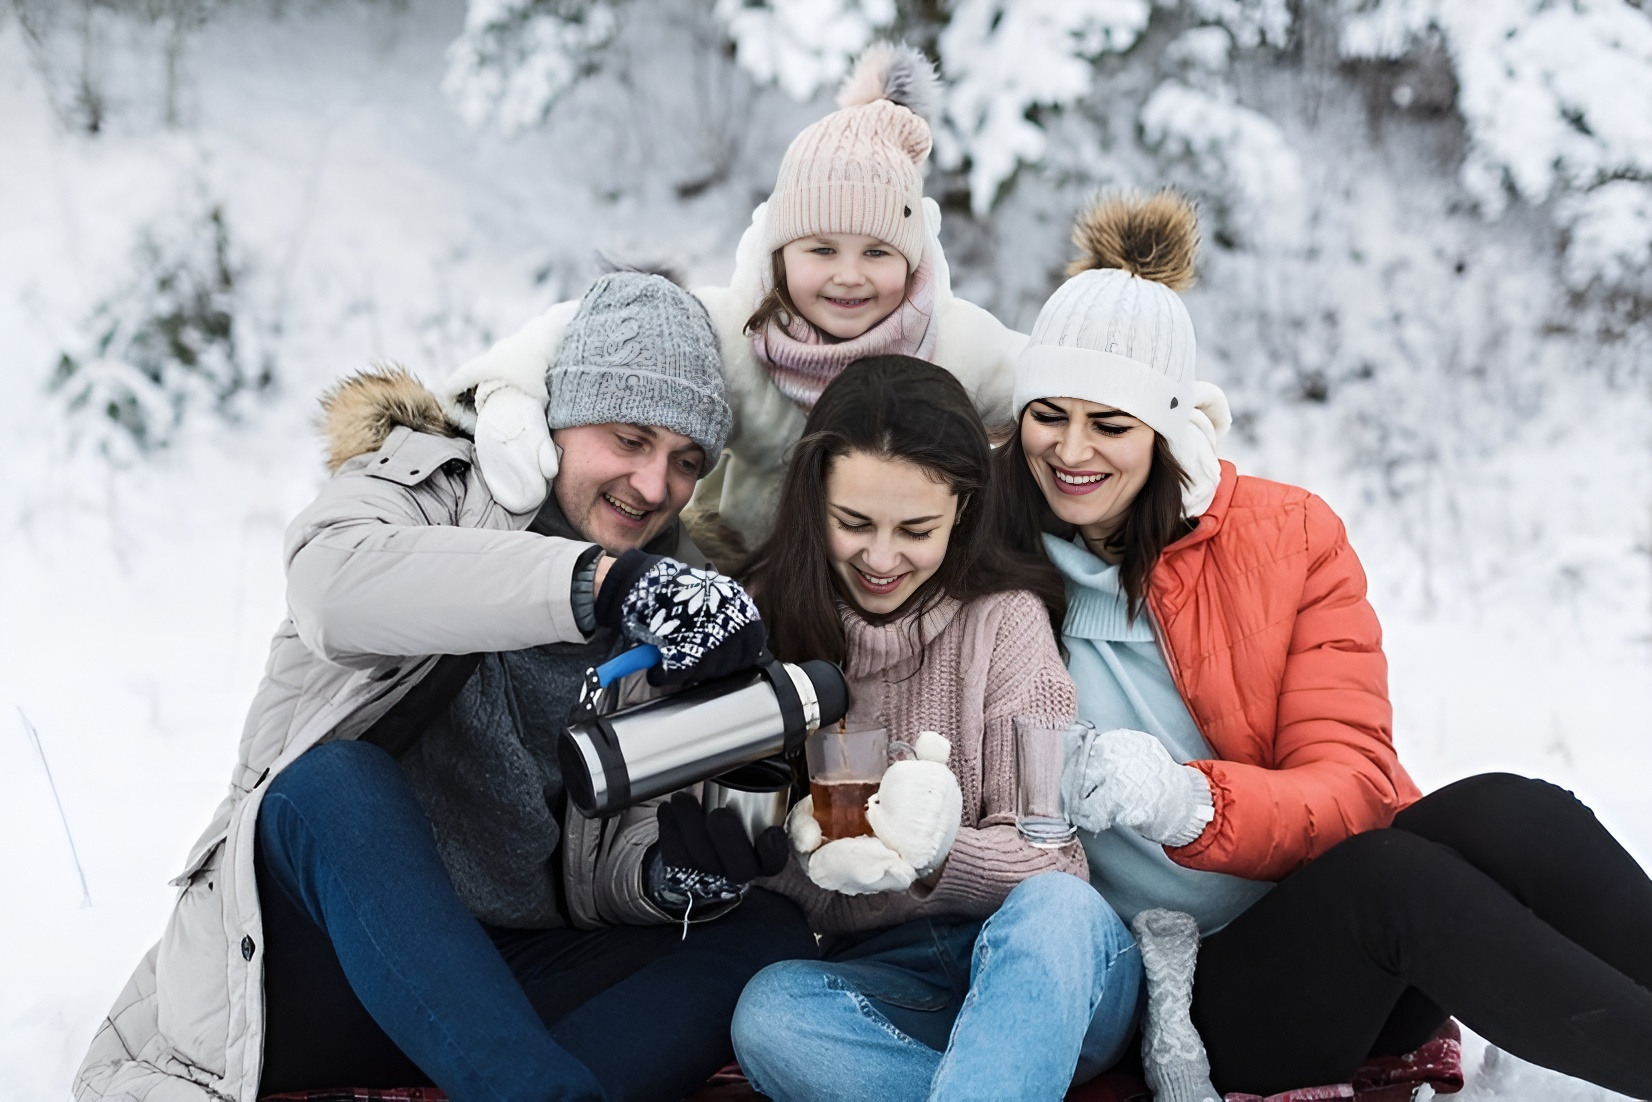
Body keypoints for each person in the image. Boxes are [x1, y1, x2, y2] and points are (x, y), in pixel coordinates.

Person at [74, 272, 816, 1102]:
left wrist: (675, 878)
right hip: (316, 969)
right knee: (333, 786)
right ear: (561, 421)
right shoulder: (433, 485)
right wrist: (603, 584)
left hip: (507, 985)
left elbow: (612, 859)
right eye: (630, 438)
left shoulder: (686, 599)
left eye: (686, 462)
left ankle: (521, 1083)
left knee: (764, 932)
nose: (653, 486)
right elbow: (333, 589)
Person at [995, 190, 1652, 1100]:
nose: (1071, 451)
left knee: (1510, 808)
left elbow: (1350, 784)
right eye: (1048, 415)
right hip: (1172, 993)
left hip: (1338, 935)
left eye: (1110, 425)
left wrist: (1188, 804)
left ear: (1167, 428)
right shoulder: (981, 551)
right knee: (1394, 879)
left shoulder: (1284, 535)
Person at [728, 357, 1143, 1101]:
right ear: (811, 500)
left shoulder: (1004, 620)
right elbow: (750, 859)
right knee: (770, 1012)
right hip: (895, 982)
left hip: (1047, 974)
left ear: (963, 510)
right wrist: (802, 851)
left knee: (1055, 911)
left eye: (915, 529)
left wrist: (936, 854)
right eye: (853, 523)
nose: (881, 559)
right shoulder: (765, 619)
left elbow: (1055, 864)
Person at [437, 43, 1027, 548]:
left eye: (878, 253)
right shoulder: (738, 331)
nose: (850, 276)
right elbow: (598, 326)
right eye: (821, 250)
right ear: (780, 253)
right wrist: (509, 390)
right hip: (749, 572)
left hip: (896, 574)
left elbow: (1054, 379)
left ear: (912, 258)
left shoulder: (951, 342)